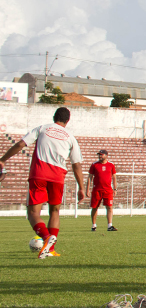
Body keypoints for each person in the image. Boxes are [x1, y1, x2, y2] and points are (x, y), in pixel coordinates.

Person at [0, 107, 84, 259]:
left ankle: (46, 237)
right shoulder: (71, 137)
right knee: (55, 211)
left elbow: (20, 144)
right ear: (67, 121)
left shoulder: (42, 128)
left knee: (33, 213)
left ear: (54, 117)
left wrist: (3, 160)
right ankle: (50, 249)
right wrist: (81, 188)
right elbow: (76, 165)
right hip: (58, 177)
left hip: (39, 174)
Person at [86, 149, 118, 231]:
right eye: (99, 155)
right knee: (94, 207)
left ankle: (109, 226)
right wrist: (87, 189)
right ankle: (93, 225)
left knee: (109, 207)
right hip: (97, 190)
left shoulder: (111, 165)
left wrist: (115, 188)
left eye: (101, 154)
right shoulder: (94, 165)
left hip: (108, 190)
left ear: (106, 155)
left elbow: (114, 177)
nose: (100, 156)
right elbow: (90, 177)